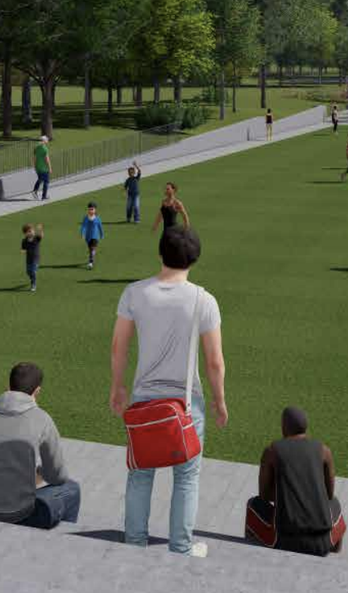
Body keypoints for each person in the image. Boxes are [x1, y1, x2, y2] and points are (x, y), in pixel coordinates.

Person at [110, 225, 227, 556]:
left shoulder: (134, 293)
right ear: (195, 258)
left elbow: (119, 346)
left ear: (160, 253)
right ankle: (180, 547)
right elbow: (215, 362)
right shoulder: (204, 300)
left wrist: (117, 387)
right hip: (187, 406)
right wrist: (219, 401)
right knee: (187, 478)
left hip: (144, 400)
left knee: (139, 476)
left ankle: (134, 543)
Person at [0, 361, 80, 529]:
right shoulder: (42, 419)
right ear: (37, 391)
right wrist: (38, 474)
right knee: (72, 488)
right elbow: (57, 476)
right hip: (19, 515)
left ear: (8, 385)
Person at [244, 406, 346, 556]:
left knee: (253, 504)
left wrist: (286, 494)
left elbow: (264, 496)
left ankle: (250, 551)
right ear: (305, 427)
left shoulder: (272, 451)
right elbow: (329, 495)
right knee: (335, 503)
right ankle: (334, 549)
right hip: (321, 542)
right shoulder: (324, 451)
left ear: (284, 426)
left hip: (284, 540)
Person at [80, 203, 105, 270]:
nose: (90, 211)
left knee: (92, 248)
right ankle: (92, 254)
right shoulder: (86, 218)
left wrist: (102, 234)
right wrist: (82, 234)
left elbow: (100, 227)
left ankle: (90, 262)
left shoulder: (97, 218)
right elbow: (83, 226)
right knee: (90, 248)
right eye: (89, 209)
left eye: (92, 209)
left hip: (95, 237)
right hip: (88, 237)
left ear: (95, 210)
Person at [21, 223, 43, 292]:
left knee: (33, 271)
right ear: (25, 233)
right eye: (29, 231)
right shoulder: (24, 241)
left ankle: (33, 284)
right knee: (28, 272)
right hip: (28, 259)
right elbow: (23, 248)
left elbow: (41, 236)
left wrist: (40, 229)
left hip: (35, 258)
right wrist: (22, 251)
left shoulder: (36, 238)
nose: (32, 232)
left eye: (32, 230)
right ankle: (32, 279)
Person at [31, 135, 52, 201]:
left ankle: (35, 191)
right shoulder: (44, 148)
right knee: (46, 181)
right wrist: (50, 168)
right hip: (44, 168)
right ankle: (43, 196)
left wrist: (34, 166)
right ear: (44, 141)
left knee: (40, 179)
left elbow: (34, 158)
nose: (47, 141)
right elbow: (47, 159)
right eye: (46, 140)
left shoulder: (36, 148)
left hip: (38, 167)